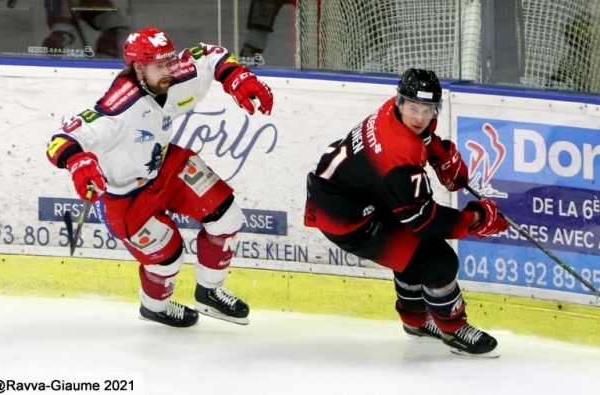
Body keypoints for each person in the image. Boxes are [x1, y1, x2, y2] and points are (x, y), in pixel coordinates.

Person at [45, 26, 274, 328]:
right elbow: (60, 140)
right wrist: (78, 161)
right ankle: (154, 307)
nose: (169, 71)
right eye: (159, 66)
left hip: (165, 166)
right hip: (125, 199)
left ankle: (210, 291)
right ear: (138, 67)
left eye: (169, 62)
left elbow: (209, 55)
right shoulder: (118, 107)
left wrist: (235, 75)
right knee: (168, 259)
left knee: (227, 217)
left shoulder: (173, 75)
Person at [303, 68, 508, 356]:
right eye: (414, 108)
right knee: (437, 260)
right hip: (348, 217)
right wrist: (477, 219)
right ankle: (453, 330)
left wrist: (439, 153)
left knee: (413, 254)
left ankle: (416, 321)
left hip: (352, 195)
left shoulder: (392, 113)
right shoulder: (396, 156)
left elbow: (419, 139)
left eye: (428, 110)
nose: (420, 118)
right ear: (400, 102)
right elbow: (424, 222)